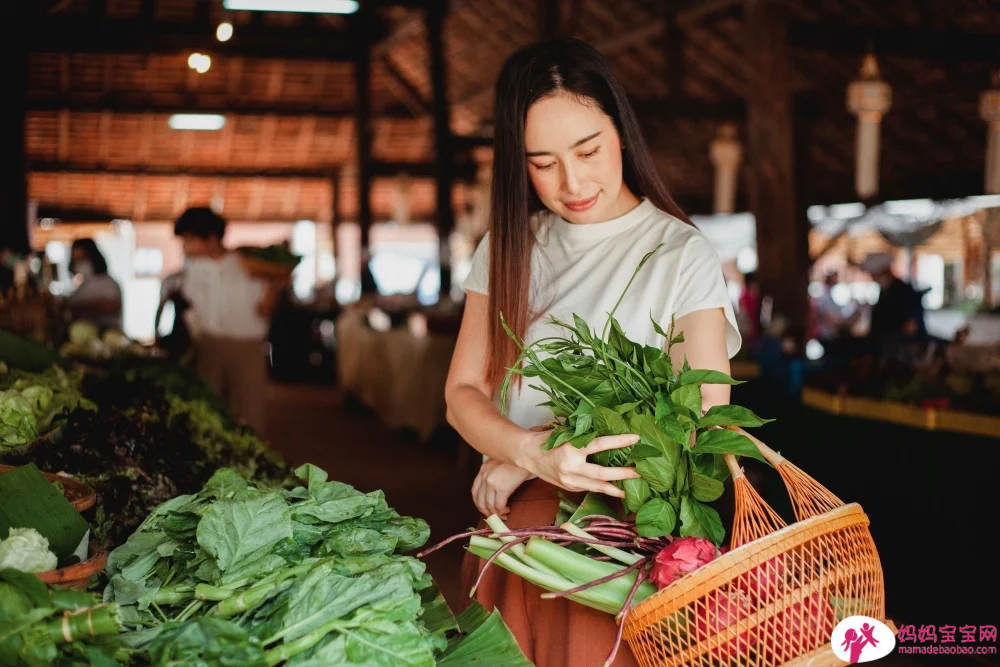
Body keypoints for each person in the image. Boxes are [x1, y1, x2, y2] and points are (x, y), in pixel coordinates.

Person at [445, 38, 740, 666]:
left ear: (622, 134)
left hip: (620, 542)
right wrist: (524, 451)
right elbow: (461, 393)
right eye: (542, 162)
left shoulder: (678, 254)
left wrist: (533, 456)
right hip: (514, 534)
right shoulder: (509, 246)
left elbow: (700, 419)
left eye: (589, 151)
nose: (572, 182)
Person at [172, 207, 282, 432]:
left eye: (189, 240)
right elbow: (190, 308)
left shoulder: (249, 265)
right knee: (208, 414)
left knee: (248, 412)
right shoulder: (194, 270)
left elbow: (264, 309)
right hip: (208, 346)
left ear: (211, 238)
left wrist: (274, 284)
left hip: (246, 349)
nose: (185, 247)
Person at [65, 238, 123, 331]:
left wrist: (79, 307)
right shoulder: (82, 286)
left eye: (82, 258)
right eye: (76, 260)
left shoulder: (108, 283)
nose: (79, 263)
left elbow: (112, 305)